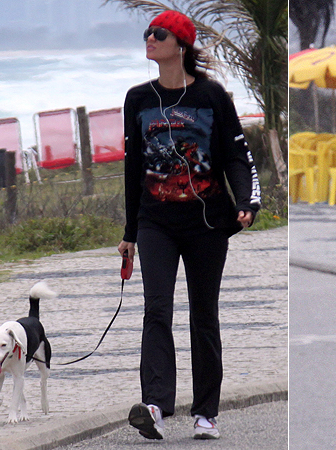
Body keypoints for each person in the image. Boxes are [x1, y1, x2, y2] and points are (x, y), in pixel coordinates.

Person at [118, 10, 261, 441]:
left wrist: (248, 203)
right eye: (146, 33)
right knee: (156, 309)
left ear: (179, 44)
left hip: (206, 223)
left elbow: (238, 156)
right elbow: (132, 169)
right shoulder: (137, 99)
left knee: (203, 314)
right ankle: (156, 406)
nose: (148, 39)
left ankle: (206, 413)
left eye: (157, 34)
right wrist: (129, 232)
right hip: (154, 223)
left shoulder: (212, 96)